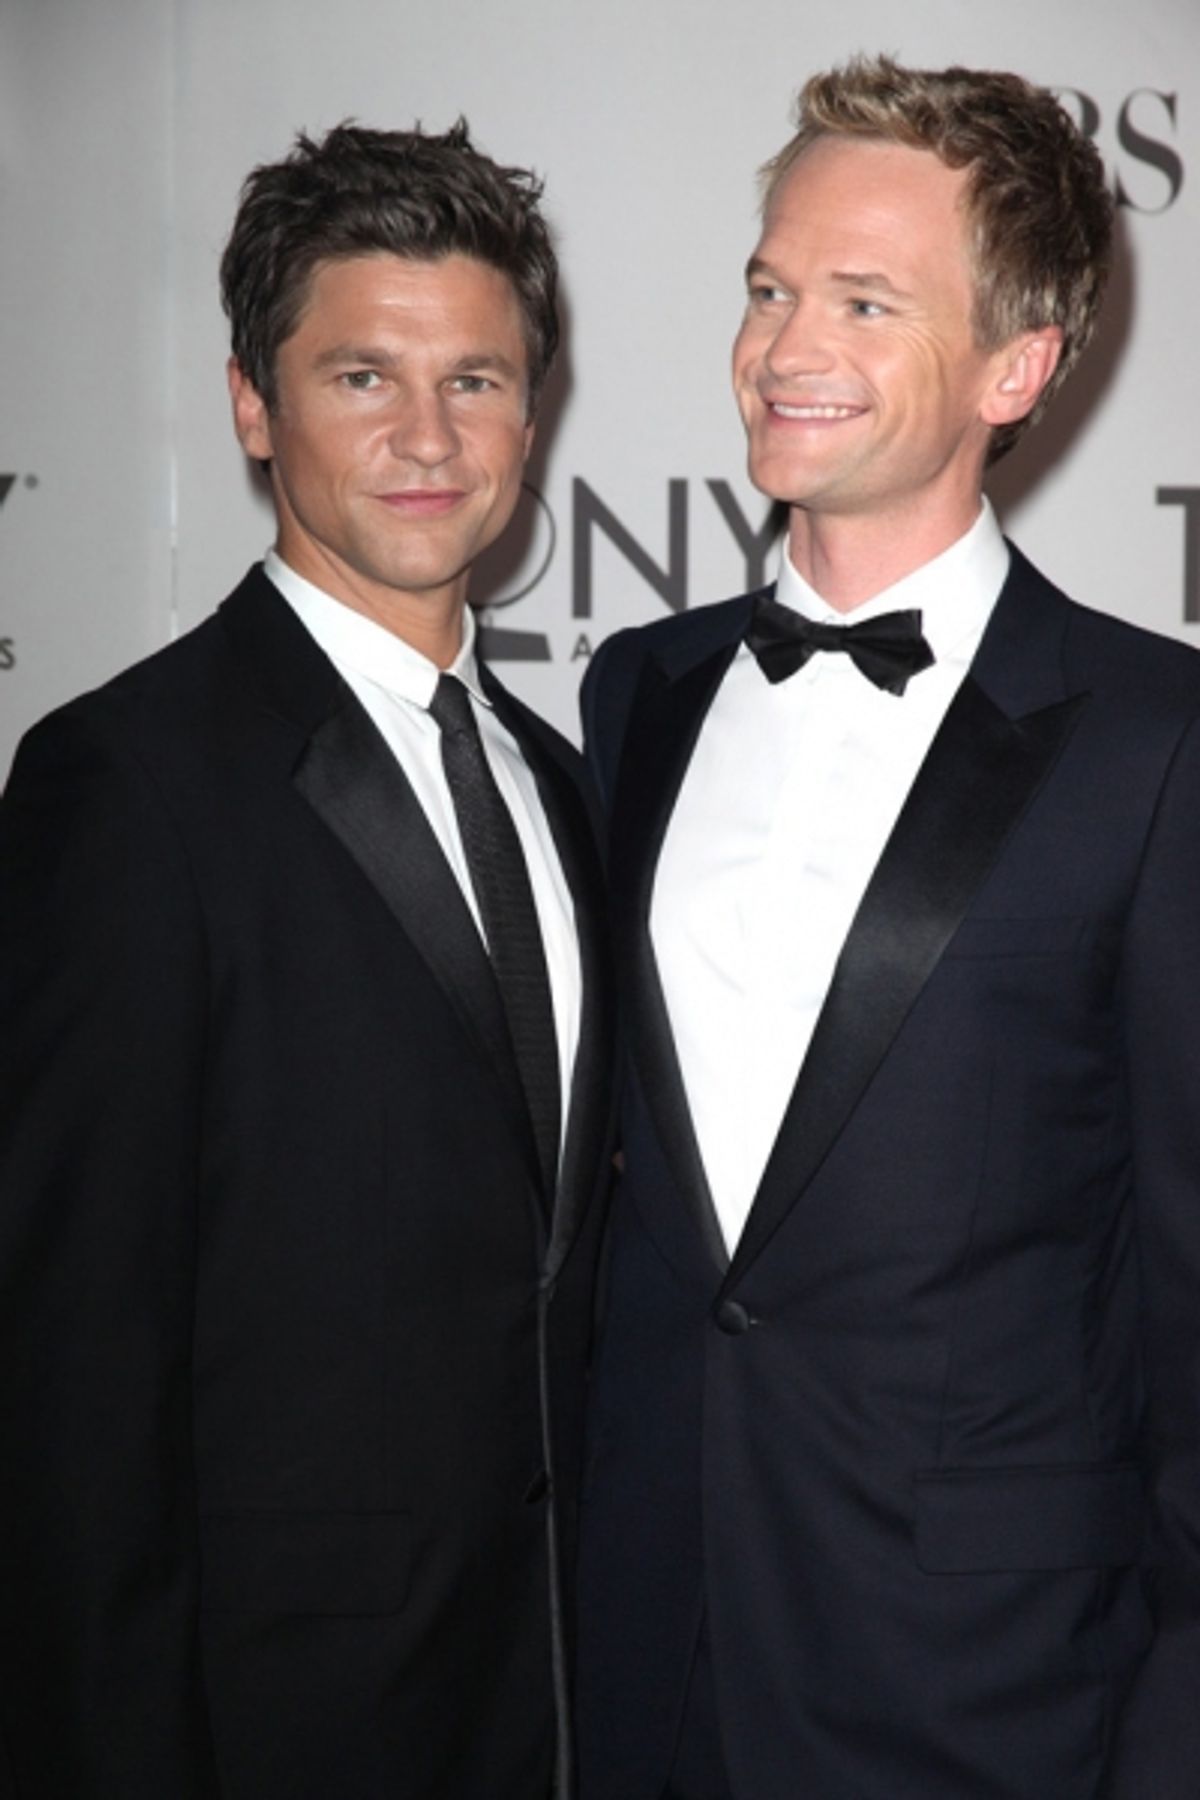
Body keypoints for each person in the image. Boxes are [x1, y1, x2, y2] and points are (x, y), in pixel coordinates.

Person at [575, 54, 1200, 1800]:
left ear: (1018, 366)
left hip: (992, 1692)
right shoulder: (638, 694)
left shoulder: (1156, 746)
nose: (785, 346)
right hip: (644, 1649)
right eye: (771, 286)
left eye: (863, 300)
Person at [0, 121, 613, 1800]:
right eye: (361, 377)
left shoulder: (563, 787)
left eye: (475, 380)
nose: (428, 438)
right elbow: (70, 1391)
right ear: (252, 406)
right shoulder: (126, 783)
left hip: (560, 1712)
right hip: (282, 1732)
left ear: (532, 414)